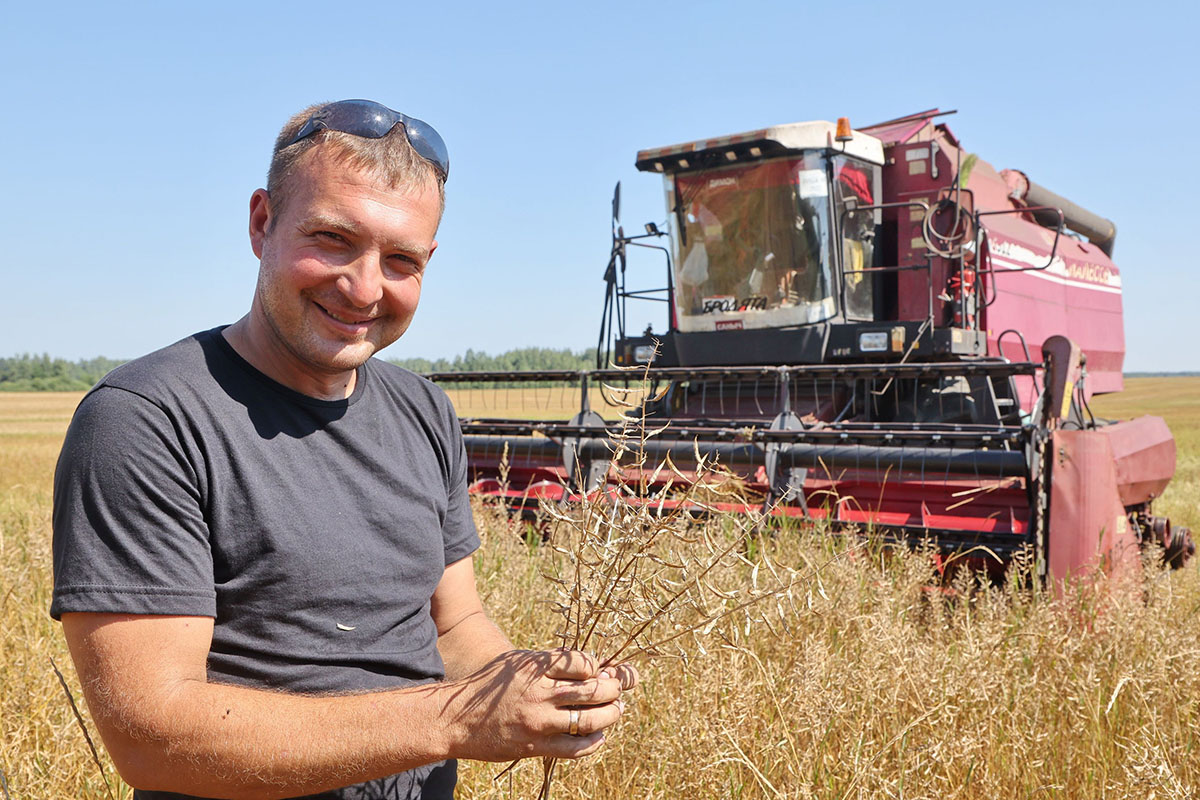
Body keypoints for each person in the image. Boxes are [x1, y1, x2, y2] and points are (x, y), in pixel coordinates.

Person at [50, 99, 637, 800]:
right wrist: (457, 719)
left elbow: (455, 624)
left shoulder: (423, 411)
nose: (363, 288)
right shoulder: (148, 420)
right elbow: (153, 736)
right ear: (261, 222)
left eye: (400, 259)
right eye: (332, 239)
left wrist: (531, 685)